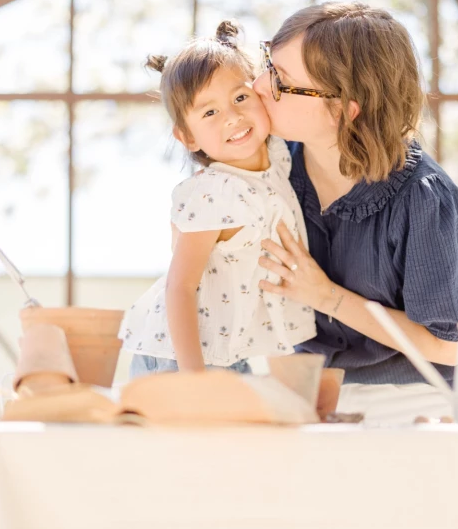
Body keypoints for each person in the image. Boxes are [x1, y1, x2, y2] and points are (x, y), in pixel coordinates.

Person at [252, 2, 458, 396]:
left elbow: (452, 347)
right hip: (310, 395)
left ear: (343, 110)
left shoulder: (424, 200)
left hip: (413, 405)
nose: (259, 85)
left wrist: (326, 296)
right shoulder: (273, 167)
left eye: (281, 79)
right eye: (268, 64)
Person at [119, 21, 316, 383]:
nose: (233, 117)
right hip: (182, 358)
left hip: (228, 351)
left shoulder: (278, 156)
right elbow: (179, 287)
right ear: (187, 137)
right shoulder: (214, 193)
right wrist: (195, 380)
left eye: (240, 98)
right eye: (209, 113)